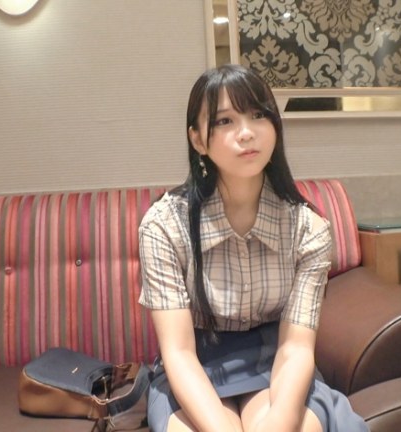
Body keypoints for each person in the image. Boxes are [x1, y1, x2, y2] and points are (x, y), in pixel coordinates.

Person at [138, 64, 368, 432]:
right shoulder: (165, 226)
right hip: (195, 366)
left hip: (278, 364)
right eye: (225, 121)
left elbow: (296, 348)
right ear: (198, 140)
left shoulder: (308, 229)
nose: (246, 132)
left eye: (258, 115)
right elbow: (178, 352)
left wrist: (279, 422)